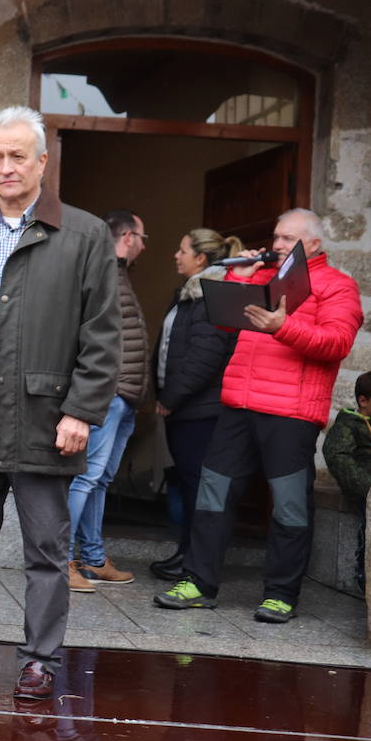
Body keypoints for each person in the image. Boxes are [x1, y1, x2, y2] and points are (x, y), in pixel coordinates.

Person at [0, 105, 119, 702]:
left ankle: (39, 658)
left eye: (17, 156)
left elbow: (102, 334)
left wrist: (82, 411)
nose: (6, 167)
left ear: (42, 161)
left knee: (45, 547)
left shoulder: (83, 234)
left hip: (42, 413)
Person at [156, 208, 363, 623]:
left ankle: (281, 594)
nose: (277, 245)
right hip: (237, 405)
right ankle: (198, 583)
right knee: (212, 497)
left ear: (314, 245)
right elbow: (226, 326)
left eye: (287, 239)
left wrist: (282, 327)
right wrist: (240, 278)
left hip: (290, 412)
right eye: (276, 236)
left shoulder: (338, 287)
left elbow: (337, 342)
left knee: (289, 507)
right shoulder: (264, 278)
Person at [148, 228, 241, 581]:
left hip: (201, 412)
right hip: (188, 409)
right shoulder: (190, 295)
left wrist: (170, 399)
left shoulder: (209, 297)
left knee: (198, 486)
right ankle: (187, 555)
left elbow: (204, 356)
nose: (176, 254)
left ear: (200, 258)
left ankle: (194, 562)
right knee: (189, 485)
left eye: (182, 249)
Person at [67, 209, 149, 591]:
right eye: (143, 238)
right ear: (128, 237)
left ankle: (94, 558)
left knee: (99, 480)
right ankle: (62, 560)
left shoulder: (119, 274)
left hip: (124, 396)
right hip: (110, 394)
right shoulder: (104, 270)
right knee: (85, 478)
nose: (144, 247)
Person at [322, 371, 371, 590]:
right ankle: (364, 577)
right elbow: (338, 457)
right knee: (370, 529)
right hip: (364, 490)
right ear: (363, 401)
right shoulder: (348, 426)